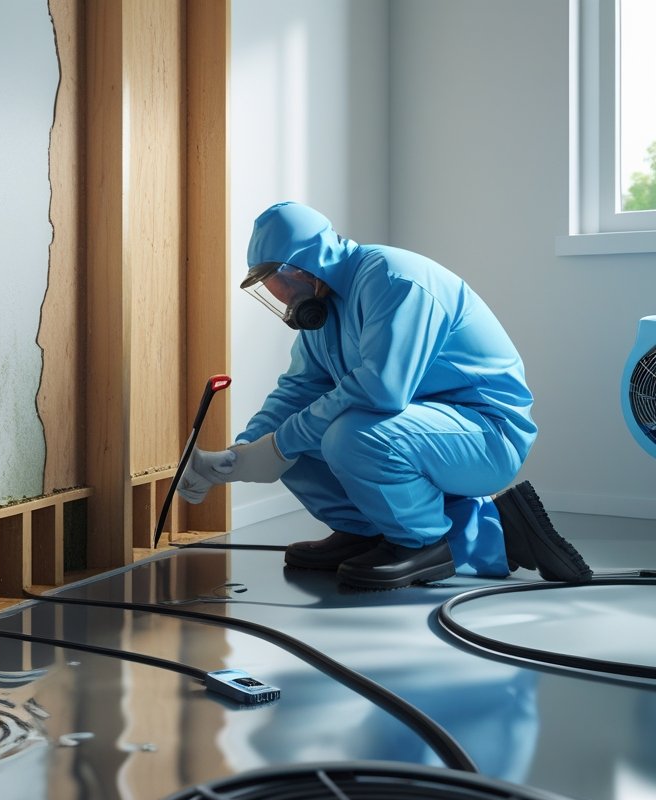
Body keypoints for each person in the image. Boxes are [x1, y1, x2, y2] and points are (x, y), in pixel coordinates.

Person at [180, 201, 592, 589]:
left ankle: (425, 543)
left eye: (273, 282)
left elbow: (381, 391)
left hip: (486, 434)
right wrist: (242, 453)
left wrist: (279, 445)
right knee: (300, 435)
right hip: (423, 429)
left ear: (301, 268)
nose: (275, 295)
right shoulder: (322, 308)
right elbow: (297, 390)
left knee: (349, 434)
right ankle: (364, 533)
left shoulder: (395, 280)